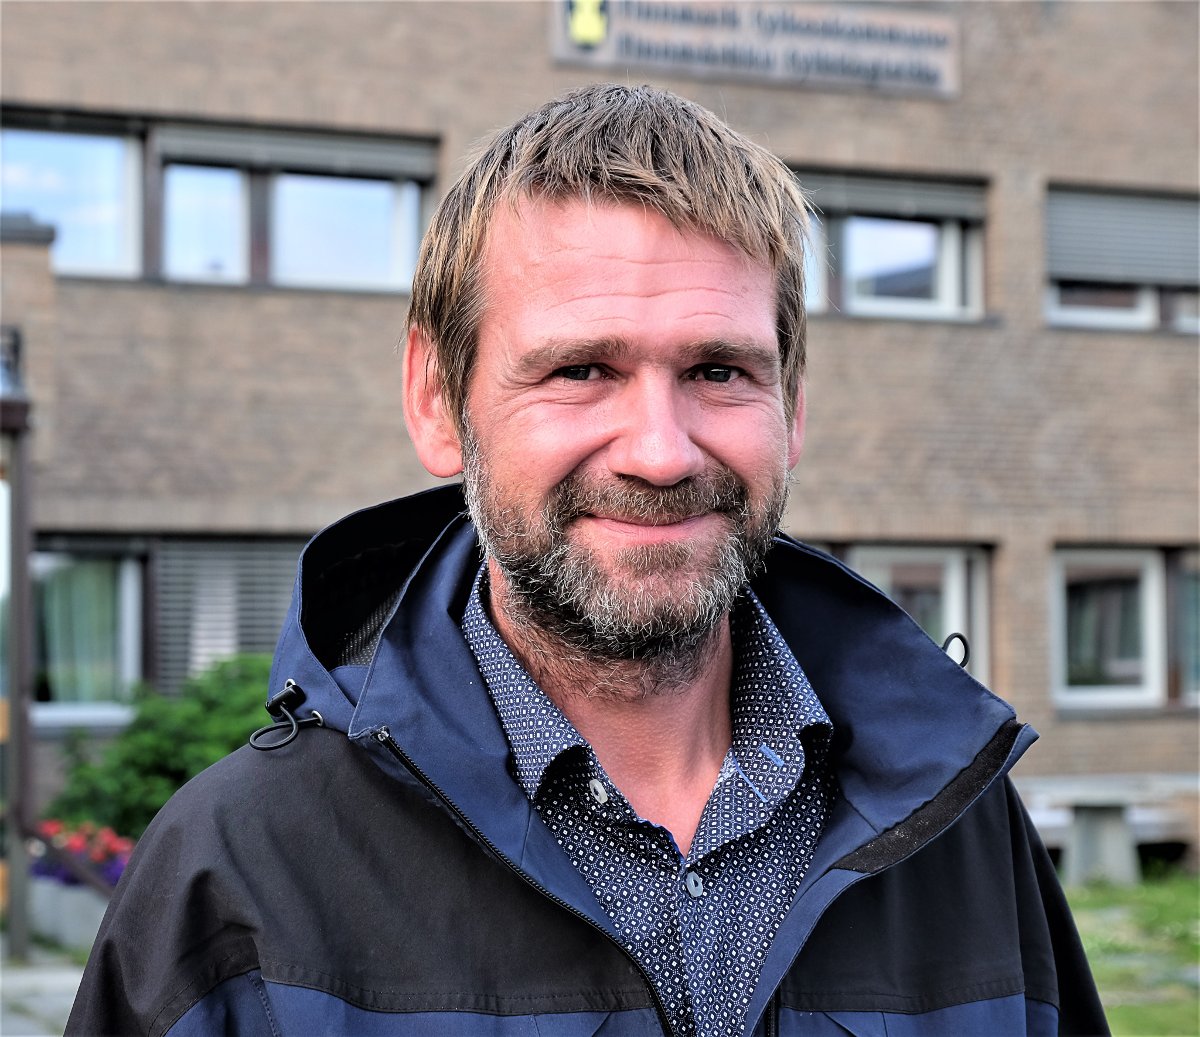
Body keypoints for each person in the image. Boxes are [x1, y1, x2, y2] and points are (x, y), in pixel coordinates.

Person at [68, 84, 1107, 1037]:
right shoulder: (240, 871)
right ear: (438, 401)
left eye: (718, 370)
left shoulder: (959, 828)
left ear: (791, 406)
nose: (661, 451)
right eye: (580, 369)